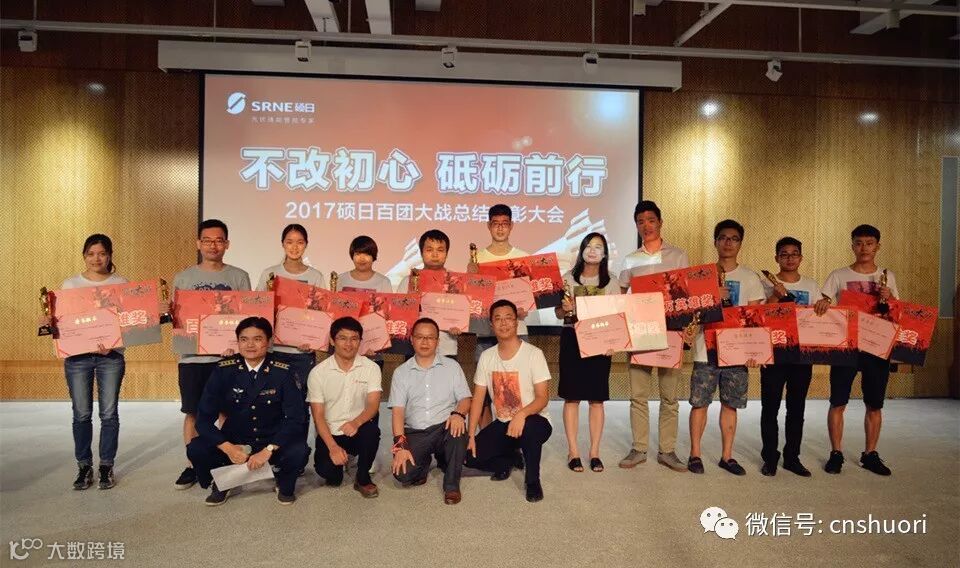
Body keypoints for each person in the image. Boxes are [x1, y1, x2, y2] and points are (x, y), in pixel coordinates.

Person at [186, 317, 309, 505]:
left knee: (299, 450)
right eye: (244, 339)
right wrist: (228, 448)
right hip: (235, 439)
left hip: (271, 439)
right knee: (196, 448)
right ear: (238, 342)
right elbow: (203, 419)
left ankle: (281, 477)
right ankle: (223, 481)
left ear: (269, 342)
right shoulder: (224, 370)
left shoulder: (283, 371)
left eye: (257, 339)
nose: (250, 345)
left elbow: (295, 418)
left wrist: (268, 450)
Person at [171, 219, 251, 490]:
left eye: (218, 240)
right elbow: (177, 318)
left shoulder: (239, 277)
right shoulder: (183, 278)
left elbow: (247, 316)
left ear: (227, 244)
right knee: (193, 412)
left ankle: (225, 461)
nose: (213, 245)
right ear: (198, 244)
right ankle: (192, 465)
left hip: (227, 358)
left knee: (228, 412)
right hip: (193, 357)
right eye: (207, 240)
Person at [817, 224, 899, 476]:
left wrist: (889, 297)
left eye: (869, 243)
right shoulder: (838, 275)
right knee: (838, 401)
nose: (864, 248)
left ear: (878, 246)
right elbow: (824, 302)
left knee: (874, 404)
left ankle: (870, 454)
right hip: (846, 346)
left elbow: (897, 313)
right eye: (859, 243)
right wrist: (823, 304)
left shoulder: (887, 276)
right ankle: (836, 453)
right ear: (852, 245)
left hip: (876, 347)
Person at [49, 234, 129, 490]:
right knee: (81, 413)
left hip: (111, 356)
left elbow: (129, 321)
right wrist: (48, 322)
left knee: (109, 413)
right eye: (91, 254)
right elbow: (63, 320)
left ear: (110, 256)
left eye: (102, 253)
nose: (97, 259)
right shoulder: (70, 284)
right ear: (84, 256)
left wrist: (114, 340)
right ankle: (84, 466)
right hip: (77, 358)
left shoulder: (121, 283)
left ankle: (106, 465)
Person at [617, 201, 691, 472]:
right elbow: (621, 294)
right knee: (638, 395)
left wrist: (686, 328)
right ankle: (639, 448)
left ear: (660, 222)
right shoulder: (630, 259)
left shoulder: (678, 255)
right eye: (640, 222)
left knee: (669, 397)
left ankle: (667, 451)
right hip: (640, 331)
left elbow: (686, 294)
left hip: (671, 331)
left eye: (651, 220)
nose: (646, 226)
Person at [687, 219, 765, 476]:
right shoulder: (701, 275)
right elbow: (690, 311)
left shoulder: (750, 277)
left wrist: (754, 352)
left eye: (734, 238)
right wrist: (711, 298)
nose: (728, 243)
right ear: (715, 242)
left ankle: (727, 456)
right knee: (700, 403)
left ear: (740, 243)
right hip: (705, 349)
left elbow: (755, 318)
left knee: (730, 405)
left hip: (737, 352)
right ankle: (695, 454)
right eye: (722, 238)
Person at [464, 300, 552, 502]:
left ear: (516, 322)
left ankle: (532, 481)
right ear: (491, 325)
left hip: (534, 421)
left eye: (508, 318)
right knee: (469, 457)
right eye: (498, 319)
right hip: (505, 424)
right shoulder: (487, 357)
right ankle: (509, 459)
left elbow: (542, 398)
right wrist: (471, 435)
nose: (503, 323)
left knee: (530, 427)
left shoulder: (534, 354)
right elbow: (478, 399)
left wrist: (521, 414)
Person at [389, 318, 472, 504]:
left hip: (445, 428)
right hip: (416, 431)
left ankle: (452, 486)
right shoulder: (401, 372)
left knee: (458, 430)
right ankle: (424, 462)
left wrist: (458, 414)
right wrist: (400, 446)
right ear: (412, 339)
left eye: (430, 337)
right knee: (403, 474)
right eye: (420, 337)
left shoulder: (452, 367)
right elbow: (397, 412)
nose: (425, 342)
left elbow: (465, 399)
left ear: (437, 341)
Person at [555, 233, 619, 473]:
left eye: (598, 247)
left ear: (604, 254)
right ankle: (573, 451)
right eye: (588, 246)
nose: (593, 250)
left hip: (600, 342)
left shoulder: (611, 282)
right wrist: (564, 308)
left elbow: (617, 316)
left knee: (596, 399)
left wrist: (613, 342)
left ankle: (594, 452)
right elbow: (558, 314)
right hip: (572, 338)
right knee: (571, 397)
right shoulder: (567, 278)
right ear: (581, 250)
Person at [759, 237, 821, 477]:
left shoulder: (811, 285)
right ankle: (770, 457)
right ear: (776, 258)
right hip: (773, 354)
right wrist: (775, 297)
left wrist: (824, 306)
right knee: (770, 408)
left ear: (801, 258)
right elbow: (760, 317)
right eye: (784, 254)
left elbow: (818, 318)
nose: (789, 258)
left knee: (797, 409)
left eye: (794, 254)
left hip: (802, 356)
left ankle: (792, 457)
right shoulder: (766, 284)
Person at [308, 317, 383, 497]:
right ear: (332, 340)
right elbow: (318, 416)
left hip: (358, 427)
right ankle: (343, 457)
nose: (348, 344)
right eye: (342, 338)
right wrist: (333, 447)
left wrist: (356, 422)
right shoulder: (318, 373)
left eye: (354, 339)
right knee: (331, 477)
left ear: (360, 341)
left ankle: (362, 478)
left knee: (372, 432)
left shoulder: (371, 368)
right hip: (331, 431)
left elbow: (373, 405)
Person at [255, 223, 325, 383]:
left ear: (306, 244)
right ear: (282, 244)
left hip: (303, 351)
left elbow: (320, 314)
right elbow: (260, 309)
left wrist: (313, 340)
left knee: (301, 395)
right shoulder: (270, 273)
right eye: (289, 242)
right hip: (273, 349)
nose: (294, 247)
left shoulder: (315, 276)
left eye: (300, 242)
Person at [396, 229, 462, 359]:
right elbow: (399, 315)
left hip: (446, 348)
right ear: (421, 253)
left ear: (447, 253)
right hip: (413, 349)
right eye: (429, 250)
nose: (435, 254)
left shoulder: (456, 281)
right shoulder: (408, 281)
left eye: (440, 250)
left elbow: (463, 315)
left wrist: (460, 326)